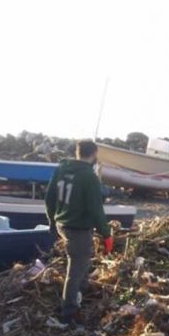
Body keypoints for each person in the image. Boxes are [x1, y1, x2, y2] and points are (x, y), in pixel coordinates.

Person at [45, 140, 113, 326]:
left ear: (77, 152)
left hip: (62, 224)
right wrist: (106, 234)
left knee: (82, 259)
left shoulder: (61, 169)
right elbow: (95, 209)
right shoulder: (88, 176)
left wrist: (52, 221)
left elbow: (49, 197)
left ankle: (83, 292)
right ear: (94, 154)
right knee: (75, 270)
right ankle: (69, 313)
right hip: (78, 228)